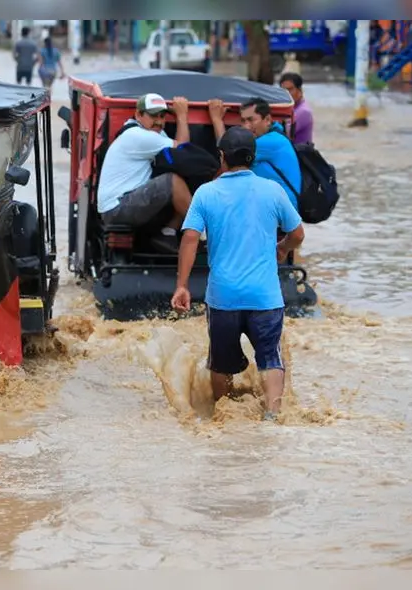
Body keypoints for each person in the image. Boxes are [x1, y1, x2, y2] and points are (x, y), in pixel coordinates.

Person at [172, 127, 305, 421]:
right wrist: (281, 248)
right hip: (265, 297)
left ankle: (225, 416)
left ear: (222, 157)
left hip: (224, 298)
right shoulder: (272, 190)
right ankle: (273, 416)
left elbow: (190, 239)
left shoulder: (206, 192)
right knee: (270, 358)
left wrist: (182, 285)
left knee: (220, 363)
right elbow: (297, 233)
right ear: (253, 158)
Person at [97, 93, 193, 252]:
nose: (159, 122)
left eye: (163, 117)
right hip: (117, 208)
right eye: (154, 116)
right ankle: (204, 234)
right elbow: (183, 150)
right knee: (172, 181)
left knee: (184, 179)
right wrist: (182, 115)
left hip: (121, 204)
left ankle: (168, 233)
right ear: (138, 115)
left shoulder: (151, 133)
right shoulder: (139, 135)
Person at [207, 97, 301, 210]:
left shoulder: (272, 141)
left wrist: (217, 120)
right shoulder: (275, 136)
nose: (246, 126)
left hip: (280, 210)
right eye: (243, 121)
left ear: (267, 120)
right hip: (271, 204)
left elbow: (228, 150)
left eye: (251, 120)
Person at [278, 72, 314, 145]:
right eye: (283, 90)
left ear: (299, 90)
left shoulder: (303, 111)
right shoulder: (288, 108)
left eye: (290, 89)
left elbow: (283, 134)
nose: (286, 93)